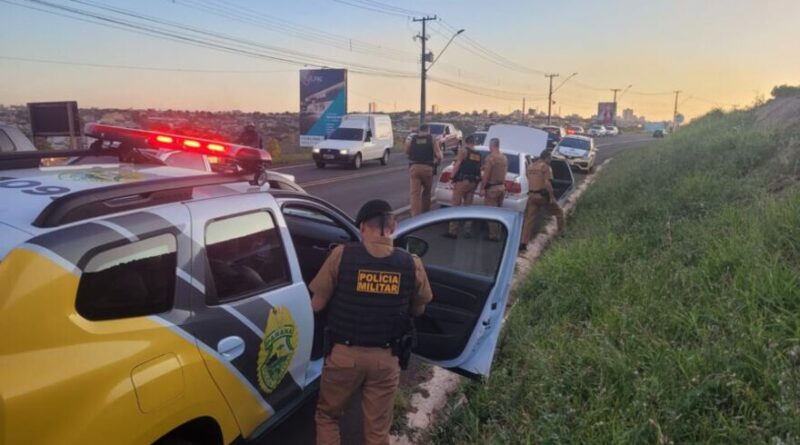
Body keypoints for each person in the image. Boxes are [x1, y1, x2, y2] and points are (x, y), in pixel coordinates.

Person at [310, 199, 433, 445]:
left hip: (343, 356)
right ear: (393, 226)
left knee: (328, 416)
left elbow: (317, 305)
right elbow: (419, 309)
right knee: (377, 433)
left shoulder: (341, 255)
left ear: (363, 226)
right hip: (386, 361)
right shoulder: (411, 263)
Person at [520, 149, 565, 250]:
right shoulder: (545, 167)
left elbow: (529, 180)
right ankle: (560, 234)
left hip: (531, 196)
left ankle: (523, 242)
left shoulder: (530, 166)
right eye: (550, 158)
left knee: (529, 220)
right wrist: (552, 197)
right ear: (547, 158)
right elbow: (547, 183)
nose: (551, 160)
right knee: (559, 213)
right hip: (542, 196)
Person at [445, 134, 482, 238]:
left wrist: (452, 177)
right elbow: (479, 169)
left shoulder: (464, 150)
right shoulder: (478, 154)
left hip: (462, 181)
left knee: (455, 205)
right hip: (473, 183)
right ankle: (467, 229)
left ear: (466, 142)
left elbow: (457, 164)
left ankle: (453, 231)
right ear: (474, 143)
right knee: (468, 207)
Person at [405, 125, 443, 216]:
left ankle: (415, 216)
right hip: (427, 168)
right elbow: (439, 156)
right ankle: (425, 214)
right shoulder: (432, 139)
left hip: (414, 167)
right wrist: (437, 163)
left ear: (419, 130)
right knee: (426, 192)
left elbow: (406, 152)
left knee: (414, 194)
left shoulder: (412, 139)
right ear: (428, 130)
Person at [479, 138, 508, 241]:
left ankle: (493, 235)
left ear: (492, 146)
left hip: (492, 188)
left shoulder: (491, 158)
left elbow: (486, 175)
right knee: (499, 213)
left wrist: (482, 188)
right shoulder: (504, 158)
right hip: (501, 187)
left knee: (490, 213)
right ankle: (498, 234)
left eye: (490, 146)